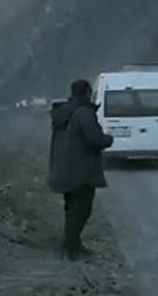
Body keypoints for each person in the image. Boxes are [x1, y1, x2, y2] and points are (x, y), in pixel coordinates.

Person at [47, 79, 113, 260]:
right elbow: (95, 140)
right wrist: (109, 139)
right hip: (81, 173)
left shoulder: (64, 112)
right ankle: (71, 249)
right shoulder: (84, 113)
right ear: (87, 92)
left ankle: (71, 245)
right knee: (81, 211)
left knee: (72, 209)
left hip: (64, 170)